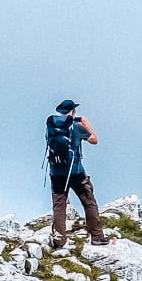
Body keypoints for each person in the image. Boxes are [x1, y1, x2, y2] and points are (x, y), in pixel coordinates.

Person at [45, 99, 107, 248]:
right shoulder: (77, 126)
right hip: (75, 171)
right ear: (73, 111)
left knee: (59, 205)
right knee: (88, 201)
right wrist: (86, 124)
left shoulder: (51, 127)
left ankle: (59, 240)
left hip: (56, 171)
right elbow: (94, 140)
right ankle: (97, 236)